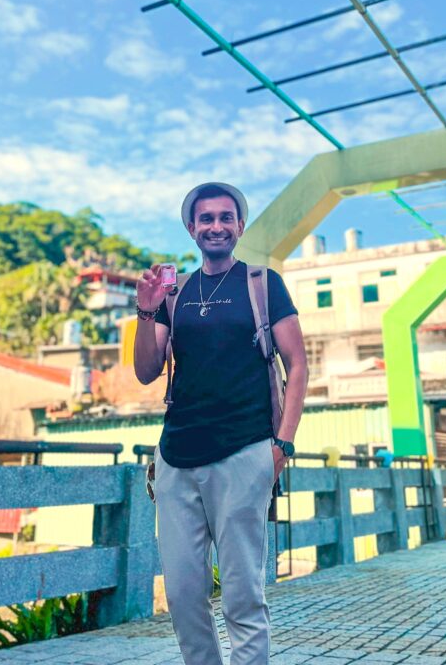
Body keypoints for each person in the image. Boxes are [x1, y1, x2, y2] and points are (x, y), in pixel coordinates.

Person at [134, 182, 308, 665]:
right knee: (184, 595)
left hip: (244, 449)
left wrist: (282, 446)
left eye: (225, 217)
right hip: (176, 456)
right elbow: (147, 369)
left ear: (239, 226)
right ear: (191, 228)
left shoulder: (262, 283)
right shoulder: (178, 293)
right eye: (205, 218)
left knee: (241, 595)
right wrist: (146, 310)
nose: (216, 226)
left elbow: (298, 365)